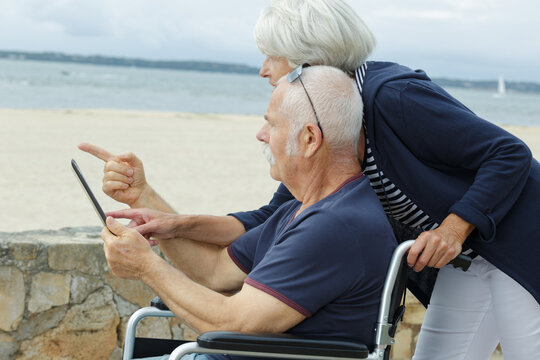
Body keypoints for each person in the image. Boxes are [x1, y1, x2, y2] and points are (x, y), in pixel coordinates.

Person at [80, 1, 540, 359]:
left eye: (271, 56)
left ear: (305, 59)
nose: (263, 69)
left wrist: (452, 228)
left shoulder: (391, 96)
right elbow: (266, 218)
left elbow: (509, 153)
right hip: (470, 260)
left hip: (518, 243)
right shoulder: (327, 137)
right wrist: (170, 223)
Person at [101, 66, 396, 360]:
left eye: (272, 124)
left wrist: (145, 266)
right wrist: (142, 197)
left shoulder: (334, 225)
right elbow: (215, 271)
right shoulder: (307, 208)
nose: (261, 134)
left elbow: (234, 323)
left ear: (309, 140)